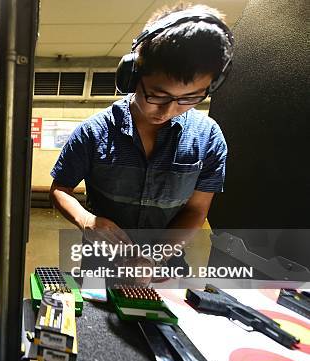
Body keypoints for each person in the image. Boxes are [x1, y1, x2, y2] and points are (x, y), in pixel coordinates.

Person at [50, 4, 233, 278]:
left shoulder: (208, 138)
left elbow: (196, 209)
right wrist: (86, 220)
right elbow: (61, 188)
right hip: (101, 267)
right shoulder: (93, 131)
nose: (169, 110)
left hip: (165, 271)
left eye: (190, 98)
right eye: (158, 95)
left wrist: (155, 258)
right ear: (132, 76)